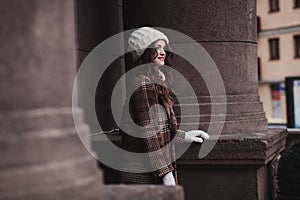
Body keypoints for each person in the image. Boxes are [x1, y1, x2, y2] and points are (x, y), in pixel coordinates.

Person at [119, 27, 209, 186]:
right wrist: (165, 173)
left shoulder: (155, 82)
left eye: (164, 48)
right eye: (156, 48)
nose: (162, 52)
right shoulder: (143, 83)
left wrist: (183, 136)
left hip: (152, 174)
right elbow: (149, 133)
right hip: (143, 176)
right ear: (144, 52)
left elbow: (161, 127)